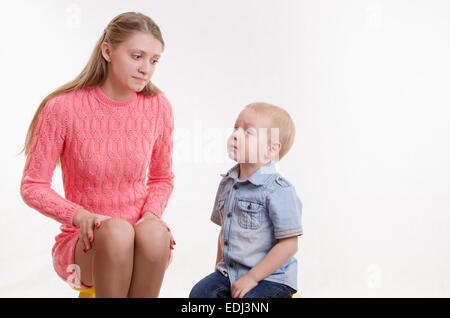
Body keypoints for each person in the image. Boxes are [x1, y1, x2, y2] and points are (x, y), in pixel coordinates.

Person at [19, 12, 175, 298]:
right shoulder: (62, 108)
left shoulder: (158, 106)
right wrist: (79, 215)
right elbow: (32, 186)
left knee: (155, 233)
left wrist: (152, 215)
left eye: (154, 60)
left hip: (140, 240)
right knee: (117, 233)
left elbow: (162, 177)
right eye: (137, 56)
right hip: (84, 244)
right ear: (108, 51)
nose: (146, 69)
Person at [189, 102, 303, 298]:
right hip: (231, 272)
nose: (236, 135)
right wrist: (218, 271)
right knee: (200, 294)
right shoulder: (228, 183)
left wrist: (253, 277)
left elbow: (289, 244)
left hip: (271, 277)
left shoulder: (279, 190)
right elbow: (224, 231)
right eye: (236, 128)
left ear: (271, 149)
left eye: (248, 132)